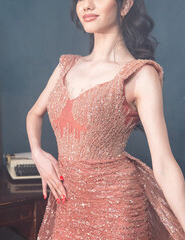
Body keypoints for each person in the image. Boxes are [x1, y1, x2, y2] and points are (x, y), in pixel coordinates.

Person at [26, 0, 185, 239]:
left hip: (118, 209)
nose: (87, 5)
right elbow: (34, 114)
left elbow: (163, 164)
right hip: (68, 207)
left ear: (125, 5)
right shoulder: (66, 66)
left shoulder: (140, 74)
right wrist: (37, 154)